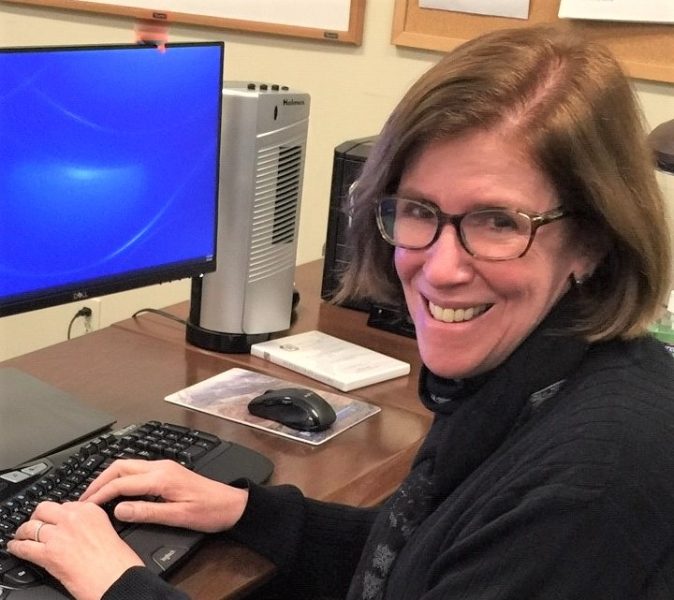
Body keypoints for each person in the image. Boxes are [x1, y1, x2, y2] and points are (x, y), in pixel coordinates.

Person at [9, 22, 674, 600]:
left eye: (498, 221)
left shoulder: (591, 484)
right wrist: (244, 508)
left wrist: (119, 583)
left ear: (591, 238)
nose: (439, 268)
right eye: (418, 211)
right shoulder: (530, 376)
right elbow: (417, 553)